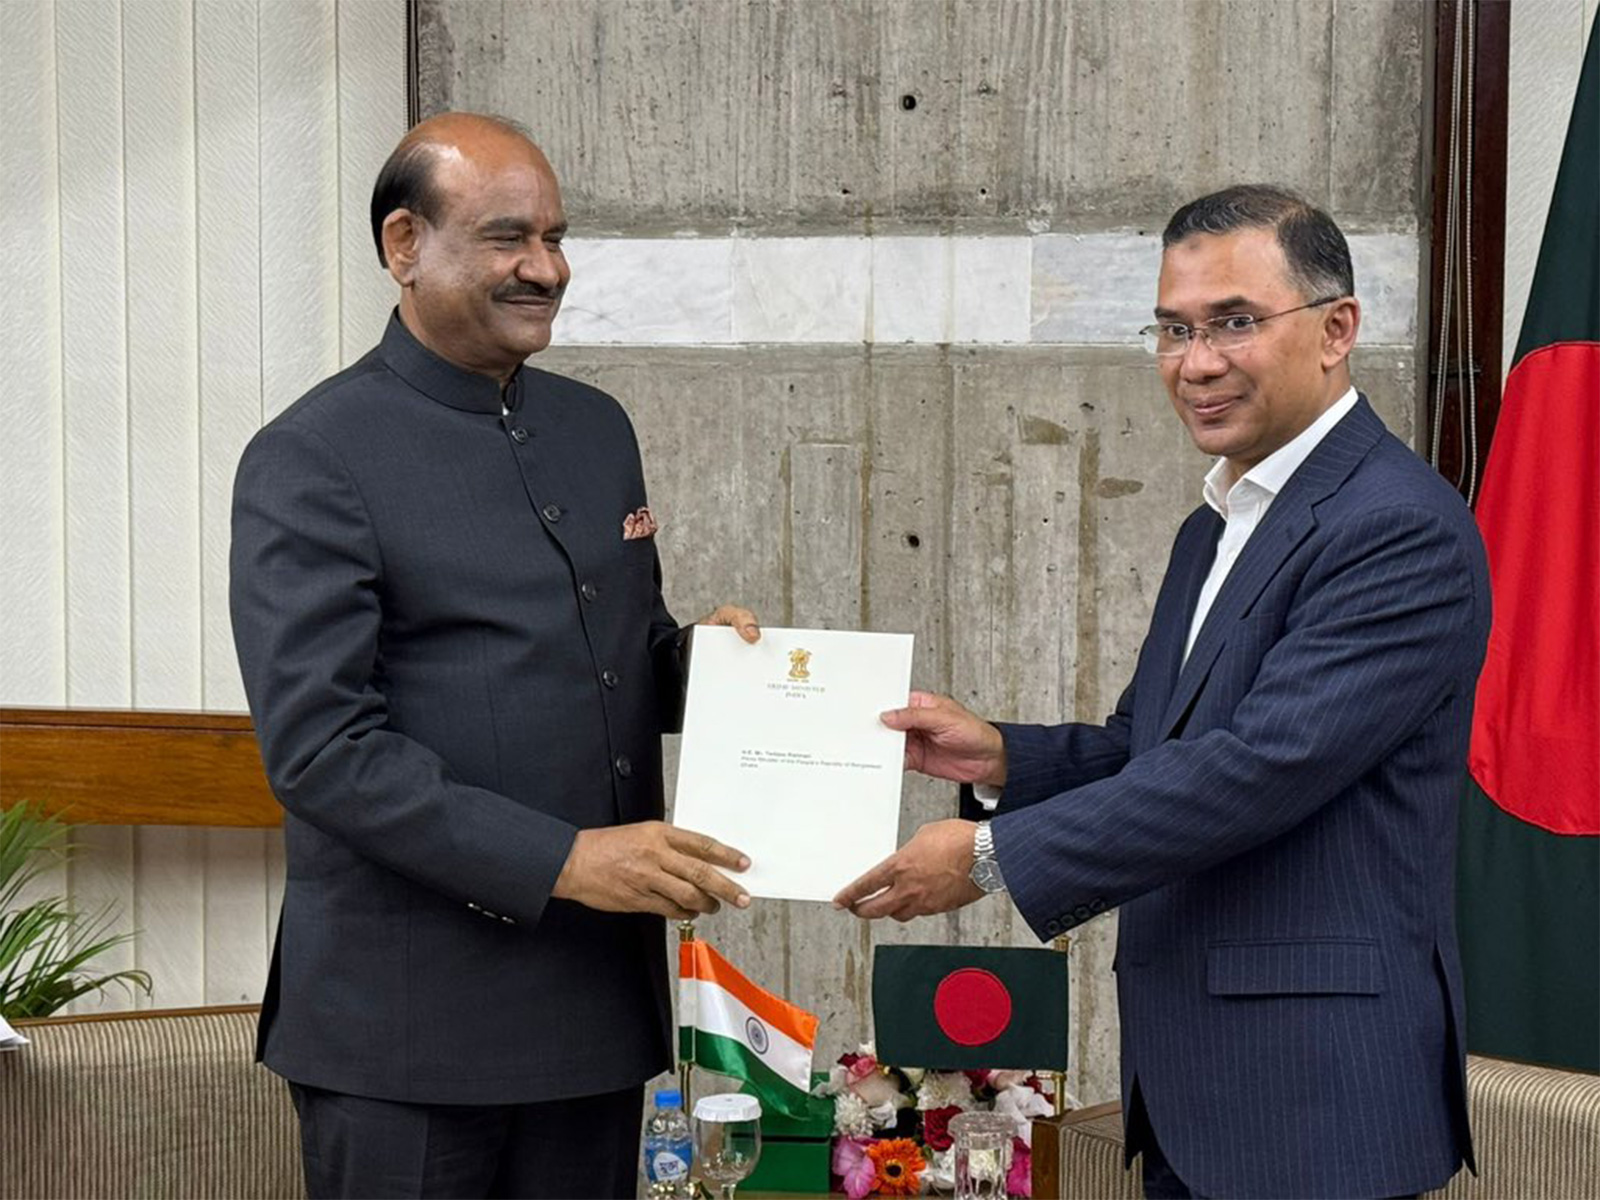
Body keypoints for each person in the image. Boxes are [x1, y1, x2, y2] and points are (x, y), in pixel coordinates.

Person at [835, 185, 1488, 1199]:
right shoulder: (1220, 521)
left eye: (1234, 323)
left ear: (1336, 329)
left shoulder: (1395, 526)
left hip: (1317, 1107)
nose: (1195, 362)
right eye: (1173, 329)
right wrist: (1002, 761)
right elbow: (1156, 745)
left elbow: (1259, 769)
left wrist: (988, 856)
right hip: (1197, 1093)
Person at [230, 112, 759, 1199]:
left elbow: (619, 659)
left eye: (557, 238)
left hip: (594, 1016)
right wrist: (571, 861)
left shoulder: (594, 426)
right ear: (403, 246)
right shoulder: (310, 457)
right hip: (405, 1038)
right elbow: (325, 751)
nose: (546, 268)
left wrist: (718, 669)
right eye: (508, 237)